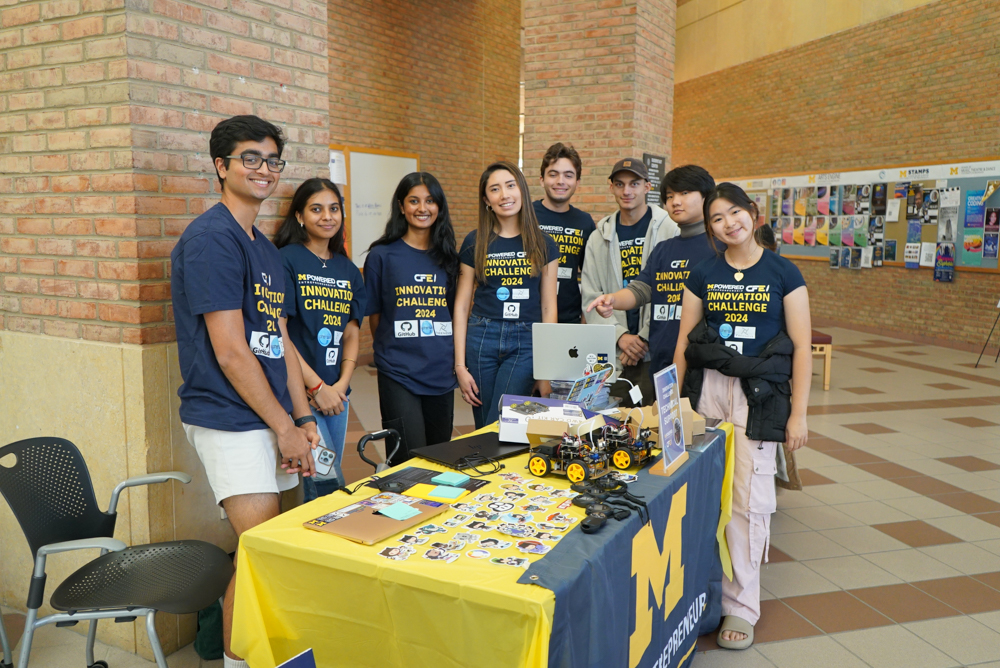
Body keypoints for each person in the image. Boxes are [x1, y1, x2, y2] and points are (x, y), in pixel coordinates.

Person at [170, 115, 319, 668]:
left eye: (273, 159)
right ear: (221, 166)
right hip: (229, 417)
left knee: (271, 556)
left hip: (273, 415)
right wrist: (284, 426)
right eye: (250, 158)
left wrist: (301, 420)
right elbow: (231, 350)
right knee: (259, 558)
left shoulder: (265, 248)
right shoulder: (211, 239)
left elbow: (276, 341)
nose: (263, 169)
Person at [674, 183, 811, 651]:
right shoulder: (704, 272)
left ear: (753, 214)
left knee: (747, 503)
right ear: (709, 227)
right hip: (708, 389)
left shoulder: (784, 273)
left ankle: (741, 606)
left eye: (735, 212)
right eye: (717, 218)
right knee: (701, 494)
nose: (729, 223)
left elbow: (801, 353)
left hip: (761, 396)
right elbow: (684, 345)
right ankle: (701, 593)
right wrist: (675, 405)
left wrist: (799, 416)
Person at [273, 178, 366, 501]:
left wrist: (341, 384)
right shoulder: (286, 259)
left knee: (325, 474)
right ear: (299, 216)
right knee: (324, 480)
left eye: (334, 209)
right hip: (300, 393)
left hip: (337, 394)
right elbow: (278, 329)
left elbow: (352, 331)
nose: (327, 216)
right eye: (316, 209)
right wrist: (316, 387)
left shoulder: (349, 269)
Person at [586, 165, 719, 382]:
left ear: (707, 197)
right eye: (670, 196)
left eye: (685, 193)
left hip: (704, 365)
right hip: (661, 361)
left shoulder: (719, 248)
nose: (676, 201)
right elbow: (641, 289)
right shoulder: (664, 249)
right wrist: (613, 300)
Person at [453, 161, 560, 428]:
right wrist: (459, 366)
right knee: (484, 424)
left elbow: (549, 307)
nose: (504, 195)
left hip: (526, 342)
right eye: (495, 189)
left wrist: (546, 371)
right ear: (486, 200)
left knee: (503, 422)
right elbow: (462, 305)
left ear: (522, 190)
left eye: (510, 186)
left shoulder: (544, 244)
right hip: (481, 338)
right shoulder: (474, 242)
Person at [364, 172, 460, 462]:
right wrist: (394, 350)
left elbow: (456, 313)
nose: (422, 208)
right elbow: (376, 316)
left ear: (439, 207)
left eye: (430, 201)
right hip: (398, 372)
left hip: (441, 371)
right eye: (414, 201)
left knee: (438, 457)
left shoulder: (450, 259)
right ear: (401, 206)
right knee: (407, 460)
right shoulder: (381, 256)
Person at [581, 158, 679, 405]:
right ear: (611, 187)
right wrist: (621, 336)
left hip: (657, 348)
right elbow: (591, 296)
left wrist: (644, 338)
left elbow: (674, 293)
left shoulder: (671, 230)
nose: (627, 191)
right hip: (615, 351)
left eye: (634, 183)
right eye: (620, 184)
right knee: (613, 423)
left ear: (647, 186)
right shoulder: (598, 237)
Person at [532, 143, 596, 323]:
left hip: (570, 319)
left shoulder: (584, 222)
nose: (561, 181)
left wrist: (585, 319)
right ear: (542, 179)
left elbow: (591, 277)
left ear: (577, 182)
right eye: (553, 174)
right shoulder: (525, 216)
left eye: (568, 175)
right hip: (527, 319)